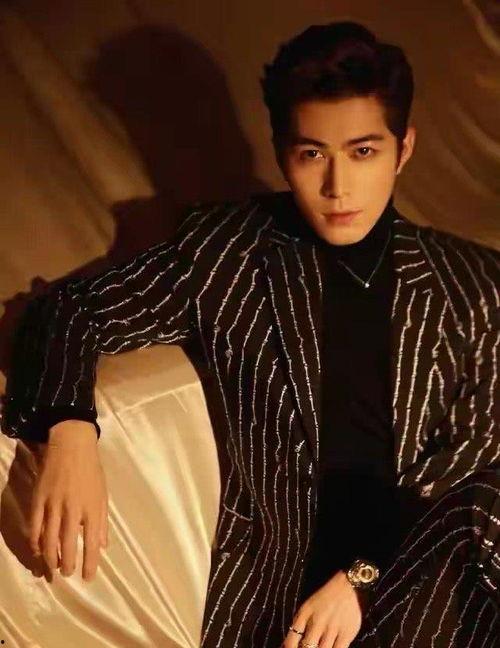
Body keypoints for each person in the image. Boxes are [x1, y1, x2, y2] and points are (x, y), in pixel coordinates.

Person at [2, 20, 499, 648]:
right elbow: (71, 310)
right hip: (282, 608)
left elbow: (473, 459)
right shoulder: (228, 251)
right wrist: (70, 429)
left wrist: (363, 578)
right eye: (312, 154)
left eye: (363, 152)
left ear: (404, 149)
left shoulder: (470, 284)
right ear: (282, 151)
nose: (337, 187)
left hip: (417, 579)